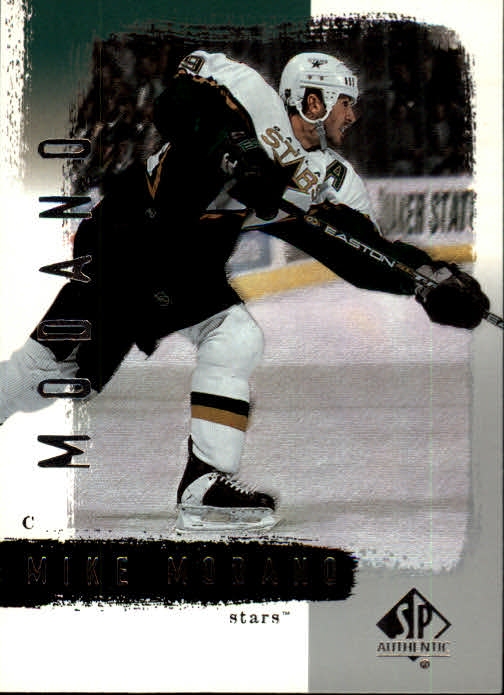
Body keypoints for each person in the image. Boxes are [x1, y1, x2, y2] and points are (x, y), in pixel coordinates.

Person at [0, 50, 490, 532]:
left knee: (51, 374)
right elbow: (174, 103)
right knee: (222, 337)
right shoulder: (247, 93)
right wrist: (239, 150)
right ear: (314, 102)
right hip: (132, 233)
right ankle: (203, 492)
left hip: (175, 261)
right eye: (346, 103)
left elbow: (360, 253)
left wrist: (429, 280)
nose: (353, 115)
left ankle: (203, 489)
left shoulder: (326, 178)